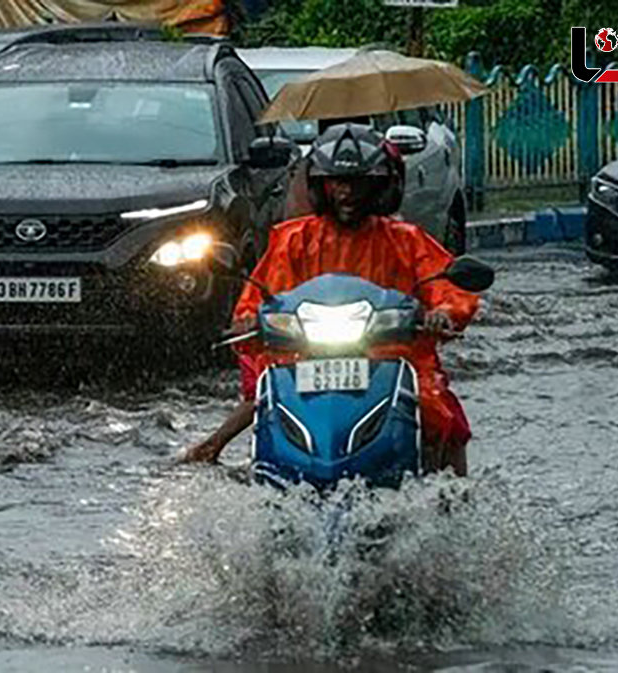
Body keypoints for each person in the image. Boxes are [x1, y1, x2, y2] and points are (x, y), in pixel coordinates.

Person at [179, 123, 479, 476]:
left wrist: (442, 313)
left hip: (390, 355)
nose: (346, 192)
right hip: (304, 353)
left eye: (356, 182)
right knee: (265, 396)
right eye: (336, 181)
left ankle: (454, 495)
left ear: (380, 184)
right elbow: (258, 295)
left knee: (439, 409)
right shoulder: (293, 241)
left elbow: (447, 286)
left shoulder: (406, 240)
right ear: (320, 186)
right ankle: (244, 463)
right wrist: (248, 319)